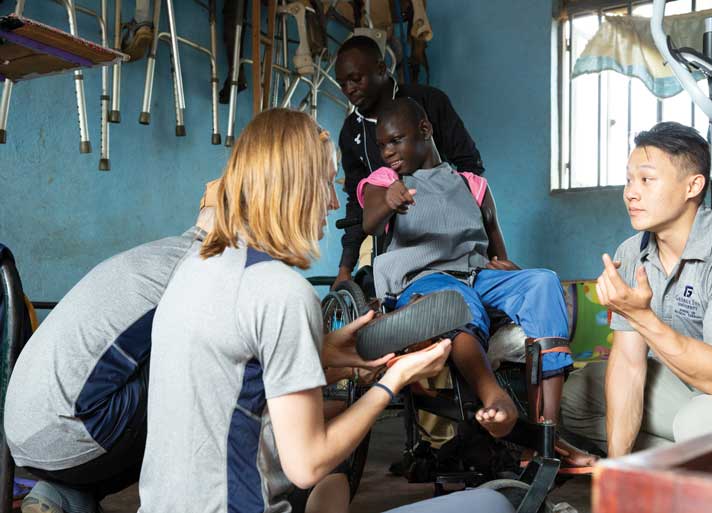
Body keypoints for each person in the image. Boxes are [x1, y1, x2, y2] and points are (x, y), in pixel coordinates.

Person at [137, 107, 519, 513]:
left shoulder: (197, 266)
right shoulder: (281, 291)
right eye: (326, 184)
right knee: (493, 503)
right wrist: (393, 380)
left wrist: (325, 350)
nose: (335, 203)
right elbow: (306, 464)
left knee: (333, 487)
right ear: (296, 186)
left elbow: (236, 370)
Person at [357, 98, 576, 441]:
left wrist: (511, 271)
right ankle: (494, 396)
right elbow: (369, 223)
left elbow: (496, 247)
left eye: (396, 140)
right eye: (381, 144)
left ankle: (547, 431)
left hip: (476, 276)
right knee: (456, 301)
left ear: (425, 130)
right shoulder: (385, 180)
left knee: (543, 282)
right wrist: (388, 201)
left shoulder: (472, 185)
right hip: (424, 280)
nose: (387, 151)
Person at [560, 122, 712, 458]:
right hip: (680, 388)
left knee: (698, 423)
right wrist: (619, 469)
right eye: (629, 180)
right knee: (577, 396)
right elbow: (629, 364)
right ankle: (667, 466)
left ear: (693, 186)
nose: (630, 192)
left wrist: (641, 316)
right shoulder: (630, 253)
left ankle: (699, 462)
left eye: (646, 179)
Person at [4, 195, 213, 513]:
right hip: (69, 433)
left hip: (22, 435)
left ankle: (63, 496)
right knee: (205, 367)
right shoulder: (202, 270)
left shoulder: (160, 253)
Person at [333, 35, 484, 289]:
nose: (349, 89)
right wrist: (345, 268)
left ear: (381, 69)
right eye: (342, 84)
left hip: (447, 234)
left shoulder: (428, 102)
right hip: (390, 234)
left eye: (356, 79)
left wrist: (453, 219)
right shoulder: (351, 132)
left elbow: (470, 166)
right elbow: (356, 205)